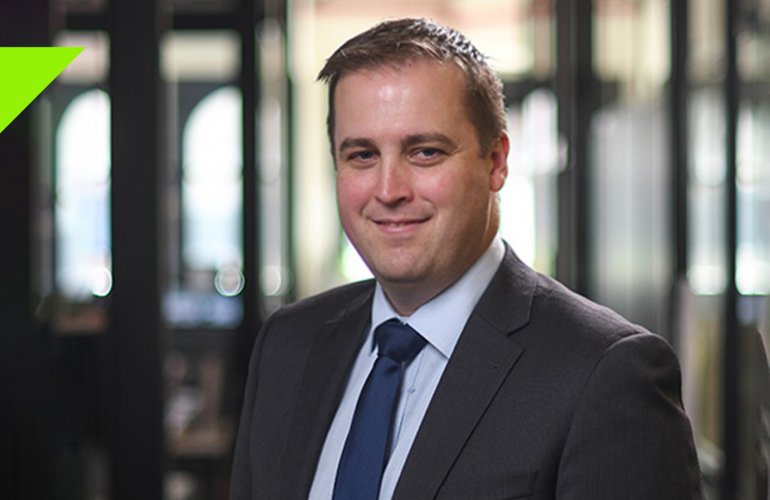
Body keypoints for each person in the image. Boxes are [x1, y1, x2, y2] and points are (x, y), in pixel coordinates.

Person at [230, 17, 703, 500]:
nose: (389, 191)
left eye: (425, 152)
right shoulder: (289, 343)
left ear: (496, 161)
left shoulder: (606, 371)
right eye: (363, 156)